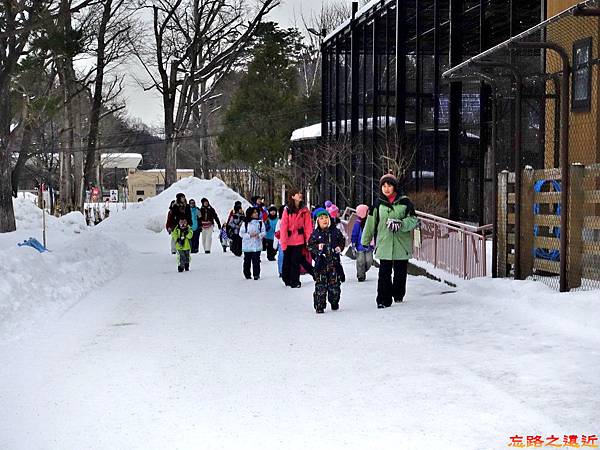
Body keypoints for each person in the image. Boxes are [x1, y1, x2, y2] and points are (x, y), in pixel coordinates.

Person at [361, 173, 418, 308]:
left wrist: (401, 224)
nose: (386, 189)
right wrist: (365, 240)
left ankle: (398, 294)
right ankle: (383, 299)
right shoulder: (378, 203)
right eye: (384, 186)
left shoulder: (405, 202)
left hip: (401, 243)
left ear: (395, 187)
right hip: (384, 242)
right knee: (384, 273)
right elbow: (371, 222)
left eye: (389, 185)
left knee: (400, 272)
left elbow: (414, 220)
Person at [308, 208, 345, 313]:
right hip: (321, 266)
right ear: (317, 221)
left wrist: (339, 247)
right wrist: (317, 247)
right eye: (321, 218)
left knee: (335, 287)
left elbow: (342, 240)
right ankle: (319, 305)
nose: (324, 220)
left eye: (326, 218)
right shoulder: (315, 234)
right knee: (320, 287)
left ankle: (334, 301)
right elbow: (310, 246)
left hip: (334, 265)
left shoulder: (335, 232)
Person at [280, 189, 314, 288]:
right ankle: (286, 279)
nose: (300, 195)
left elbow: (308, 227)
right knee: (287, 261)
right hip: (288, 240)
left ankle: (295, 281)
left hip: (299, 240)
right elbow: (283, 227)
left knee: (295, 261)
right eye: (298, 193)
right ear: (292, 196)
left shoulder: (304, 210)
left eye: (300, 193)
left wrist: (309, 240)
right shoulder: (287, 210)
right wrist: (283, 242)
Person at [240, 207, 266, 280]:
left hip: (257, 245)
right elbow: (241, 233)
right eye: (254, 212)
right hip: (247, 245)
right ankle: (247, 274)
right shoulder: (245, 223)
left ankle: (256, 274)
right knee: (247, 260)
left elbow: (264, 232)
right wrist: (249, 235)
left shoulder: (260, 222)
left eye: (257, 212)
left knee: (256, 260)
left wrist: (259, 235)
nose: (256, 213)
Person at [352, 204, 374, 282]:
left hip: (369, 246)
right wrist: (353, 244)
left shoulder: (370, 221)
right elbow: (354, 234)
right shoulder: (357, 223)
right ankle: (360, 276)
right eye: (367, 211)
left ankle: (362, 271)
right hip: (360, 246)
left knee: (369, 261)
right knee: (360, 261)